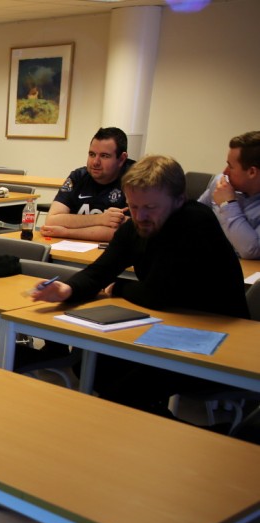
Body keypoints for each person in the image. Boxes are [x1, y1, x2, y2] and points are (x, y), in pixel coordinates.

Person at [32, 155, 247, 417]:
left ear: (179, 200)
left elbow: (157, 295)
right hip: (172, 326)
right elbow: (100, 270)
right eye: (133, 206)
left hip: (219, 338)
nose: (140, 216)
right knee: (93, 363)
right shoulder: (137, 225)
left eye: (150, 207)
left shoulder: (194, 222)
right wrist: (68, 289)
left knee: (123, 394)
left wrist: (117, 288)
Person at [41, 127, 135, 242]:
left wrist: (67, 232)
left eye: (104, 156)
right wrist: (100, 219)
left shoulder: (135, 180)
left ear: (121, 159)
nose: (95, 162)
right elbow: (52, 221)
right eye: (92, 154)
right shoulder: (78, 176)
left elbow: (126, 232)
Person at [197, 130, 260, 259]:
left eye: (230, 166)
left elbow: (251, 250)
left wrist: (228, 204)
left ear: (252, 172)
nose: (224, 172)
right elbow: (194, 217)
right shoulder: (221, 183)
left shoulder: (225, 193)